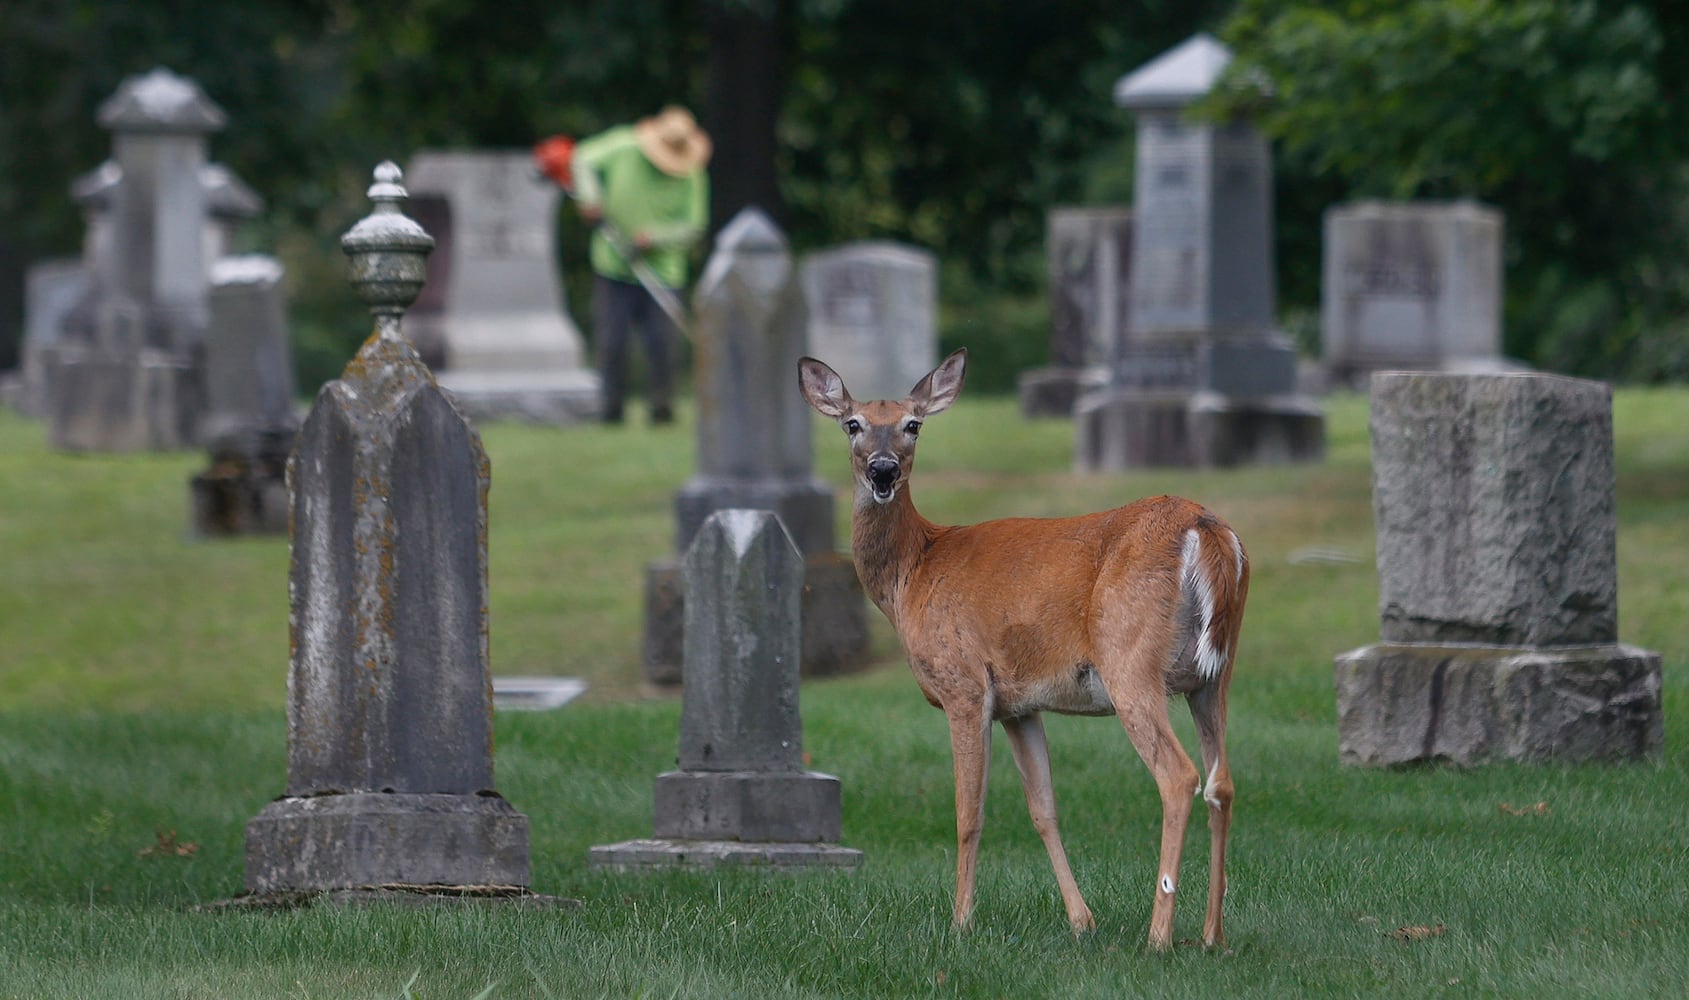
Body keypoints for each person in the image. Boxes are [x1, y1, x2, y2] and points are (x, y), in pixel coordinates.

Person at [570, 106, 711, 424]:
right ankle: (611, 409)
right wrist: (590, 198)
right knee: (612, 342)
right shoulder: (623, 146)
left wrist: (656, 238)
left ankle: (662, 408)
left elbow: (694, 225)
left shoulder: (692, 172)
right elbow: (581, 158)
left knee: (661, 344)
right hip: (613, 263)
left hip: (664, 273)